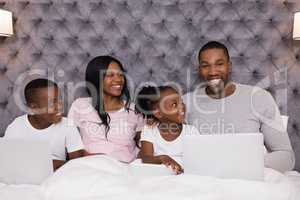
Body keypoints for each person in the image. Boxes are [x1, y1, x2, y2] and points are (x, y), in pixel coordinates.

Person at [183, 41, 295, 172]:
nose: (212, 71)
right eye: (205, 65)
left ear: (229, 66)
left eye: (219, 64)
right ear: (199, 70)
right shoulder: (185, 102)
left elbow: (287, 157)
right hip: (202, 180)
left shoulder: (259, 97)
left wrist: (239, 164)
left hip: (247, 180)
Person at [68, 56, 144, 163]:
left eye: (120, 74)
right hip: (90, 167)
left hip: (125, 168)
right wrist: (99, 159)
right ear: (96, 79)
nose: (118, 79)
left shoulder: (134, 110)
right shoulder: (80, 106)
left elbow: (144, 145)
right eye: (110, 75)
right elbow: (70, 143)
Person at [5, 78, 84, 170]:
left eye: (60, 100)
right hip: (25, 175)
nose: (60, 106)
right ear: (34, 108)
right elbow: (8, 162)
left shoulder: (68, 125)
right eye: (52, 103)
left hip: (57, 176)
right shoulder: (16, 126)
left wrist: (55, 164)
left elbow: (79, 164)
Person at [136, 85, 200, 174]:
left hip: (184, 174)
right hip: (159, 175)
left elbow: (196, 159)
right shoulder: (149, 130)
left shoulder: (191, 131)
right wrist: (162, 158)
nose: (181, 107)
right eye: (174, 104)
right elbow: (146, 158)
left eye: (181, 102)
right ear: (158, 113)